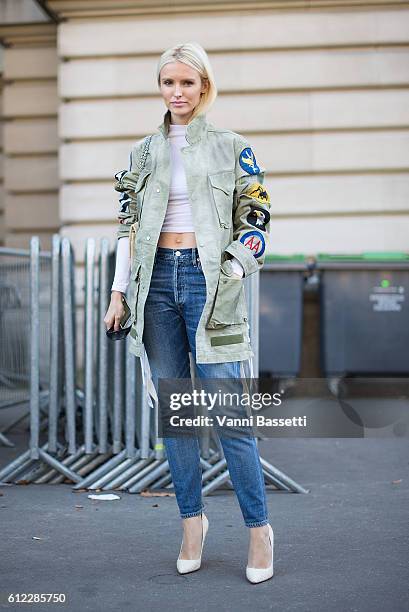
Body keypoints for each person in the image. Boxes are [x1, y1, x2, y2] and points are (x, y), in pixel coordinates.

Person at [104, 42, 273, 584]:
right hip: (154, 285)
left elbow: (258, 214)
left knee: (227, 413)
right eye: (168, 83)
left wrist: (234, 268)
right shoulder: (142, 152)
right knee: (178, 418)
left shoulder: (233, 146)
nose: (177, 93)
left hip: (209, 281)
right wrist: (118, 293)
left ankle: (258, 530)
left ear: (204, 86)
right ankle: (192, 524)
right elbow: (129, 229)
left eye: (187, 83)